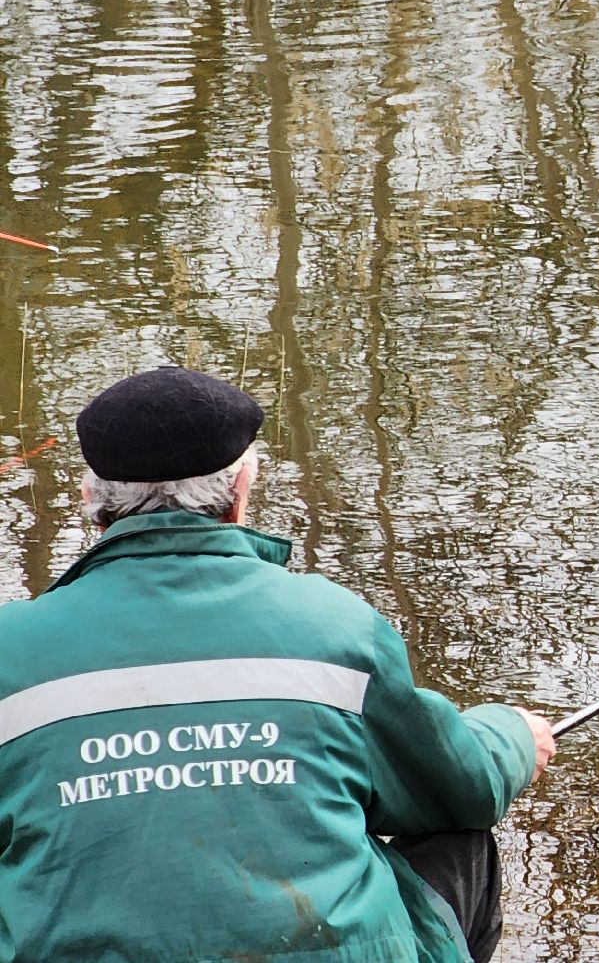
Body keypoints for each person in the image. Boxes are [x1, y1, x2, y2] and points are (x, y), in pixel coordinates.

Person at [0, 366, 556, 962]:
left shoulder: (10, 646)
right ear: (243, 486)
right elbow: (460, 785)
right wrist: (513, 737)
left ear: (91, 499)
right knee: (456, 829)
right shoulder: (336, 624)